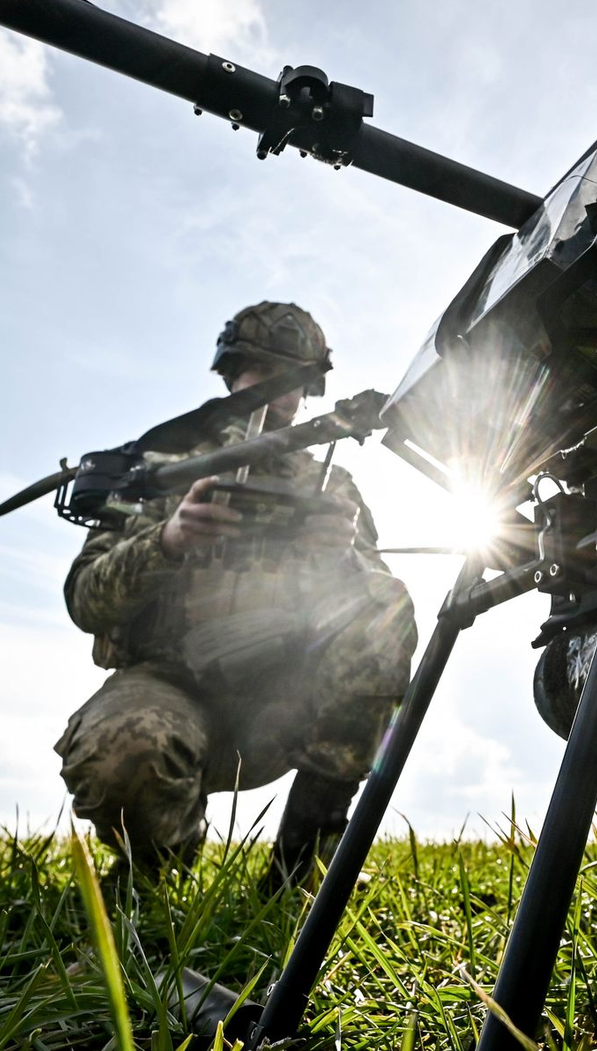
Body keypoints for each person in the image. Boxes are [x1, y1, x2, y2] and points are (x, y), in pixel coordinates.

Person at [54, 302, 417, 887]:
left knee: (385, 606)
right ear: (230, 374)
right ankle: (155, 871)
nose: (275, 392)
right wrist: (167, 541)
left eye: (292, 379)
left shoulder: (333, 483)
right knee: (125, 749)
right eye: (258, 372)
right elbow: (84, 598)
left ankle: (303, 863)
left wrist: (338, 556)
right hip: (171, 685)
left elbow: (378, 609)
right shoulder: (159, 469)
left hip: (284, 701)